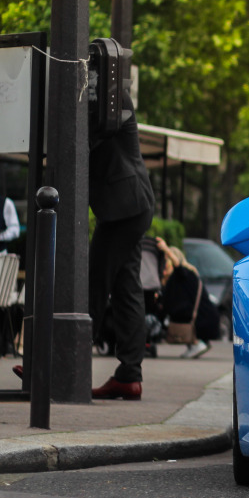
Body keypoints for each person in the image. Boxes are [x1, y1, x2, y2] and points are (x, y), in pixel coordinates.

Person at [88, 89, 155, 401]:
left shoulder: (110, 97)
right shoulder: (101, 96)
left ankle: (60, 364)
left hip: (124, 207)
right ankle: (129, 375)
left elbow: (81, 137)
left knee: (93, 281)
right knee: (127, 288)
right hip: (126, 206)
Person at [155, 238, 221, 359]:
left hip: (202, 319)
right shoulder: (175, 280)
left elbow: (179, 267)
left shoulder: (185, 274)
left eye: (166, 262)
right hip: (203, 317)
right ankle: (193, 345)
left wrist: (165, 249)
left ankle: (196, 343)